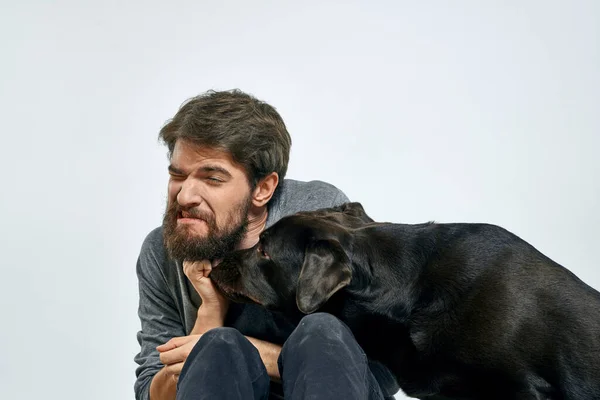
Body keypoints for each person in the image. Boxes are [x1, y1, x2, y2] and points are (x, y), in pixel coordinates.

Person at [133, 89, 400, 400]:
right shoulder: (163, 249)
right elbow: (149, 393)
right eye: (178, 175)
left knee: (320, 333)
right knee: (219, 347)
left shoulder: (318, 219)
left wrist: (257, 353)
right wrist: (208, 322)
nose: (184, 196)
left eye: (212, 179)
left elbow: (386, 373)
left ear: (262, 188)